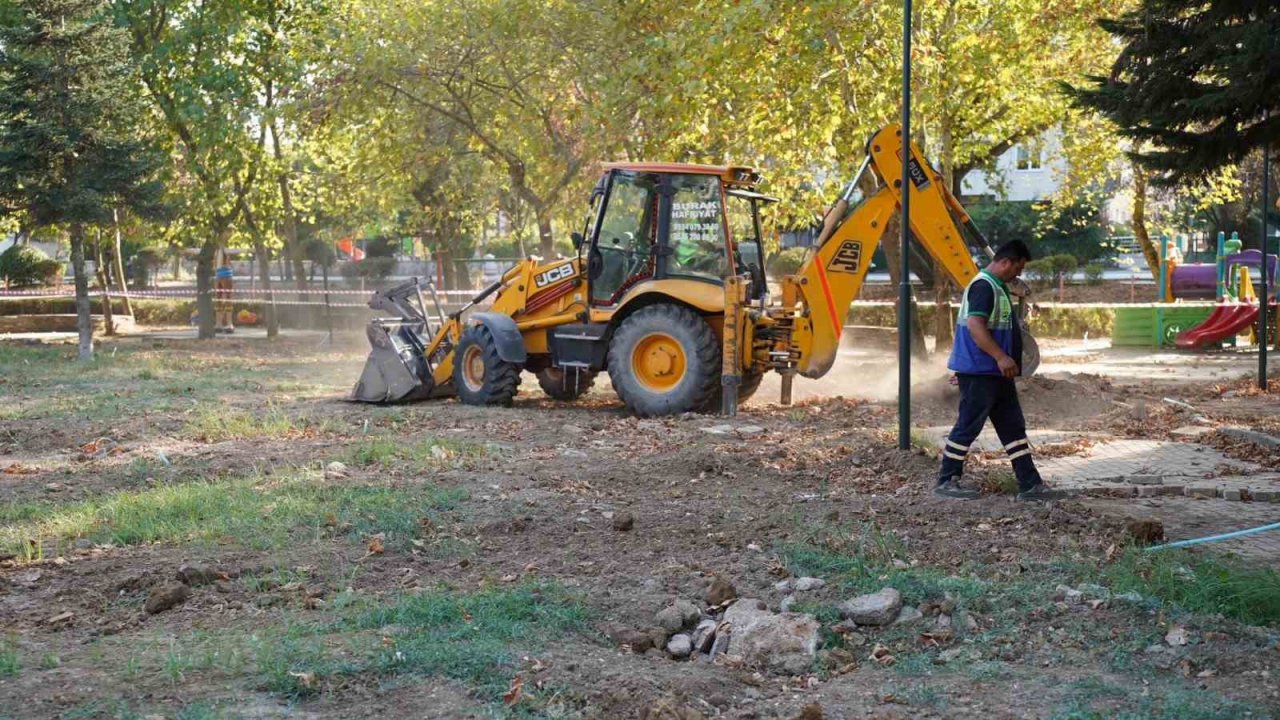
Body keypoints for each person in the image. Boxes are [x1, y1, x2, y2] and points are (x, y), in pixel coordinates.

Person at [935, 240, 1061, 501]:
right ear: (1005, 262)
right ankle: (947, 480)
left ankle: (1030, 484)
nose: (1019, 274)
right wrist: (1002, 357)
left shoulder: (998, 287)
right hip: (983, 372)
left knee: (1013, 427)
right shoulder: (984, 286)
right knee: (968, 426)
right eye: (1018, 267)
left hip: (996, 374)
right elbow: (975, 326)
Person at [213, 247, 235, 334]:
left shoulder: (225, 249)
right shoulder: (215, 249)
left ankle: (229, 324)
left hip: (226, 274)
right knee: (218, 299)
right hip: (218, 275)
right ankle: (218, 324)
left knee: (228, 298)